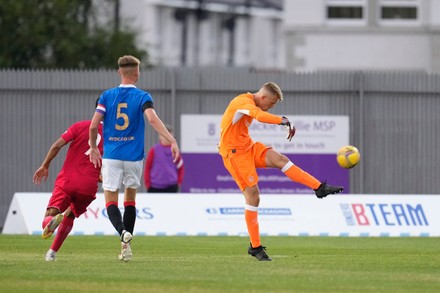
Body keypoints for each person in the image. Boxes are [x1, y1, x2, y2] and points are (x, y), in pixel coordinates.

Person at [218, 82, 344, 262]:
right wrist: (282, 120)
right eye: (271, 103)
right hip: (235, 154)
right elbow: (259, 116)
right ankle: (255, 247)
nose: (271, 107)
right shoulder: (242, 103)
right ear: (262, 97)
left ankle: (319, 188)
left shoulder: (252, 102)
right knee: (253, 197)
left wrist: (281, 120)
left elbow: (258, 114)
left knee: (281, 159)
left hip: (248, 147)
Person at [88, 55, 180, 262]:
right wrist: (171, 139)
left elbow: (94, 126)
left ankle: (122, 232)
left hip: (111, 156)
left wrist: (93, 147)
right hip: (134, 157)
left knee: (110, 200)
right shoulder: (143, 97)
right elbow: (152, 119)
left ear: (119, 72)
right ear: (137, 74)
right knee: (130, 200)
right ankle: (126, 248)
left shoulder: (106, 96)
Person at [33, 99, 103, 262]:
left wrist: (45, 165)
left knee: (48, 217)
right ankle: (52, 253)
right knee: (70, 216)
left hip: (68, 181)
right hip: (88, 186)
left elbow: (57, 145)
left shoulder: (79, 126)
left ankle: (51, 220)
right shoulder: (113, 136)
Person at [144, 124, 184, 193]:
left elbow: (181, 168)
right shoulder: (154, 150)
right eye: (165, 135)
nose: (167, 138)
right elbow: (147, 168)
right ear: (160, 136)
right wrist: (148, 185)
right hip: (154, 187)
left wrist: (178, 183)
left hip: (171, 187)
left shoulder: (175, 150)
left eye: (169, 135)